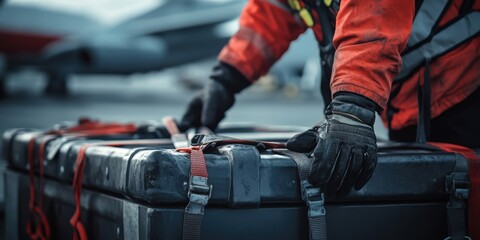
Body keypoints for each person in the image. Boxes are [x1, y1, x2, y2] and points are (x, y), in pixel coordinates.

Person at [179, 0, 480, 195]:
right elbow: (270, 13)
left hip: (467, 86)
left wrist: (352, 110)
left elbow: (371, 15)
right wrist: (225, 79)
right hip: (418, 99)